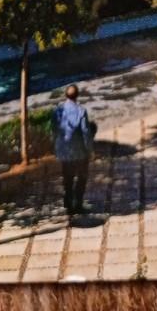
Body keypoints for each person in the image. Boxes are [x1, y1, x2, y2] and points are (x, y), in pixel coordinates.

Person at [53, 84, 94, 216]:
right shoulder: (81, 111)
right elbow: (86, 133)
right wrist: (90, 150)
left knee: (67, 178)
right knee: (81, 178)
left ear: (66, 95)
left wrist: (57, 147)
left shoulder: (58, 111)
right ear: (77, 96)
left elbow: (54, 130)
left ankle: (68, 202)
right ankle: (78, 204)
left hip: (65, 151)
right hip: (79, 152)